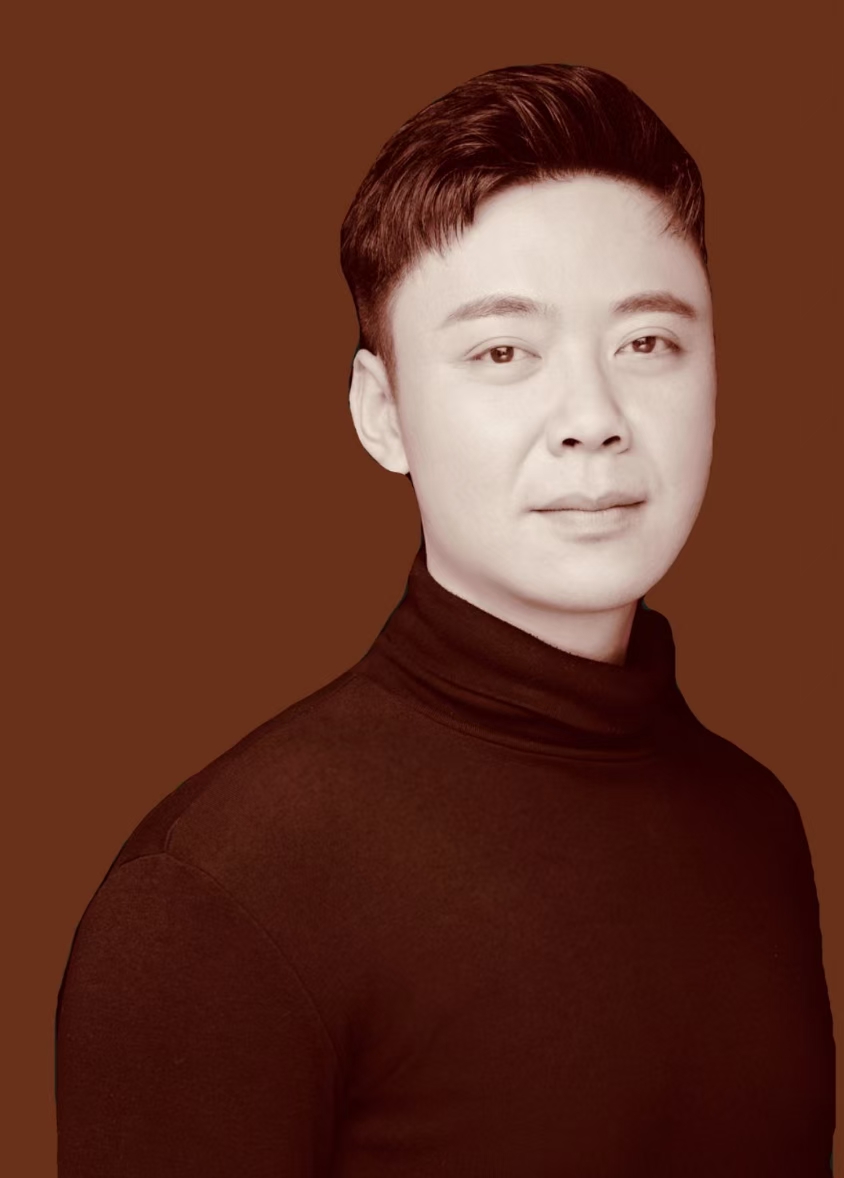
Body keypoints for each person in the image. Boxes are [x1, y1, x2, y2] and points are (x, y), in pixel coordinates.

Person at [54, 64, 836, 1176]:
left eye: (648, 343)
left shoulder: (757, 822)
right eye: (503, 352)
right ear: (383, 412)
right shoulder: (218, 896)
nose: (594, 420)